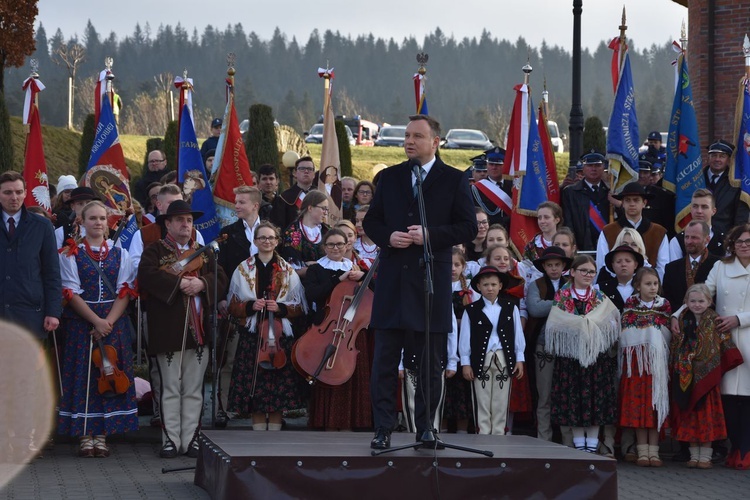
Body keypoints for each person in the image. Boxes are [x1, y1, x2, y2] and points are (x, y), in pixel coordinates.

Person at [363, 114, 477, 450]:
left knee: (429, 364)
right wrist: (389, 236)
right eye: (407, 136)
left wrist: (430, 235)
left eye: (417, 136)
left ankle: (427, 427)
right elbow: (372, 221)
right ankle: (383, 428)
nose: (410, 142)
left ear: (435, 142)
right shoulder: (391, 177)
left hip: (430, 285)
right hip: (392, 285)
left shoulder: (453, 180)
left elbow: (468, 228)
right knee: (385, 361)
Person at [137, 200, 227, 458]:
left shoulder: (206, 252)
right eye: (179, 220)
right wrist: (178, 286)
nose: (185, 225)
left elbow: (221, 278)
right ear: (167, 224)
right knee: (169, 388)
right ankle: (170, 439)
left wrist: (202, 284)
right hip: (168, 330)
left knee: (194, 388)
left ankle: (192, 439)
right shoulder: (154, 250)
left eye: (188, 220)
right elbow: (147, 276)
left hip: (199, 332)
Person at [57, 201, 138, 458]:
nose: (98, 223)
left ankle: (102, 435)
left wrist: (108, 323)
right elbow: (71, 292)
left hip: (113, 322)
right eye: (92, 218)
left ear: (108, 221)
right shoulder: (71, 253)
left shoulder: (120, 253)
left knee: (109, 376)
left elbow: (125, 291)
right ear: (81, 221)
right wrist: (96, 321)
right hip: (83, 323)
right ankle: (84, 434)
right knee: (84, 377)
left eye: (102, 218)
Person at [679, 224, 750, 469]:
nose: (743, 245)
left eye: (748, 241)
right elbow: (702, 293)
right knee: (729, 398)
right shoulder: (721, 267)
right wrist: (677, 315)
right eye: (739, 241)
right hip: (723, 340)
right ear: (731, 244)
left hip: (747, 335)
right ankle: (735, 448)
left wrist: (740, 319)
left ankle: (745, 450)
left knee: (749, 399)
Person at [226, 221, 306, 431]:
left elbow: (299, 307)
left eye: (271, 238)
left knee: (278, 382)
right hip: (254, 334)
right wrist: (251, 305)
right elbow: (233, 305)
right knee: (254, 383)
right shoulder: (243, 268)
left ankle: (276, 429)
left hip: (279, 335)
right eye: (262, 237)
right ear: (255, 240)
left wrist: (280, 307)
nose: (267, 241)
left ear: (277, 241)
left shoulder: (288, 271)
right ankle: (258, 428)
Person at [546, 255, 620, 453]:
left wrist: (592, 326)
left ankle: (593, 444)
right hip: (571, 358)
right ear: (572, 272)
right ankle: (579, 445)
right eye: (583, 271)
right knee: (574, 399)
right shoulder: (562, 297)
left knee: (595, 400)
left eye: (591, 272)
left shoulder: (600, 297)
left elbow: (612, 322)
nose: (588, 275)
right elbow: (554, 324)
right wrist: (579, 325)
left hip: (596, 357)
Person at [303, 229, 371, 430]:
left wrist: (365, 277)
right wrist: (339, 280)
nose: (336, 248)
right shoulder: (317, 270)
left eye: (340, 244)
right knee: (327, 369)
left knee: (352, 371)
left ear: (347, 245)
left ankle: (354, 421)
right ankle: (327, 421)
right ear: (324, 247)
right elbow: (314, 294)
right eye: (331, 245)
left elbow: (373, 295)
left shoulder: (356, 268)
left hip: (351, 329)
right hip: (327, 327)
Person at [670, 284, 742, 469]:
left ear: (709, 301)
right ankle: (694, 455)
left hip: (708, 378)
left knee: (706, 416)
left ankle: (706, 456)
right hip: (687, 377)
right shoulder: (681, 320)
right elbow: (676, 345)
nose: (697, 305)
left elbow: (724, 342)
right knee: (690, 415)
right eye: (692, 301)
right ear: (686, 302)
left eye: (701, 301)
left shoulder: (714, 320)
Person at [213, 186, 263, 427]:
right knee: (230, 357)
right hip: (237, 305)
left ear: (255, 205)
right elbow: (219, 269)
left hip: (266, 304)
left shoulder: (271, 232)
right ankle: (224, 407)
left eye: (241, 202)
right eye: (236, 201)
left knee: (262, 358)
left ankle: (259, 408)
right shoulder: (228, 233)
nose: (236, 205)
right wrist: (221, 298)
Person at [459, 266, 525, 435]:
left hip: (504, 358)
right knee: (482, 399)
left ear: (500, 286)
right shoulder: (471, 310)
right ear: (479, 287)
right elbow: (465, 338)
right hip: (481, 359)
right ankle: (483, 434)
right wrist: (465, 362)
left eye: (494, 284)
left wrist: (519, 358)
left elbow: (518, 334)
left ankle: (498, 435)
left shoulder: (511, 308)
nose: (490, 288)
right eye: (486, 284)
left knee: (501, 401)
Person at [618, 267, 671, 467]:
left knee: (655, 405)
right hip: (636, 365)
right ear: (637, 286)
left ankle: (654, 452)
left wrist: (650, 333)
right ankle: (642, 451)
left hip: (656, 365)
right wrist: (647, 333)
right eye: (648, 284)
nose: (652, 288)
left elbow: (665, 331)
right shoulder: (631, 303)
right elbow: (626, 330)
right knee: (639, 407)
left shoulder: (663, 305)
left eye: (655, 284)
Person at [0, 170, 61, 337]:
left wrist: (53, 311)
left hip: (29, 313)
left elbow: (52, 271)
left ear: (25, 193)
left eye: (19, 192)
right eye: (8, 192)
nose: (14, 197)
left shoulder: (42, 226)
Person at [525, 246, 572, 442]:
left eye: (557, 265)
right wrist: (562, 303)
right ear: (543, 266)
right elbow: (534, 309)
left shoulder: (571, 283)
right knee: (544, 393)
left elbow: (577, 307)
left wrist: (553, 305)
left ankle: (568, 438)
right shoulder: (536, 284)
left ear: (563, 266)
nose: (553, 268)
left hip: (569, 345)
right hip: (543, 344)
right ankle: (544, 437)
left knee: (567, 393)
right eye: (550, 265)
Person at [596, 182, 669, 281]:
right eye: (627, 200)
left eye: (636, 200)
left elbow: (662, 268)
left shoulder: (658, 232)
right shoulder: (608, 231)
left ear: (644, 203)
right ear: (623, 203)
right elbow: (602, 264)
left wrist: (652, 287)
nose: (632, 204)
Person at [445, 247, 478, 434]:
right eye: (449, 265)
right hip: (443, 343)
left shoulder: (470, 290)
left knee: (463, 386)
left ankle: (463, 430)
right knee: (445, 385)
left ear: (463, 266)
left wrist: (461, 322)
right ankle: (440, 427)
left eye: (457, 265)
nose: (452, 269)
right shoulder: (438, 286)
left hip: (464, 343)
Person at [662, 221, 721, 313]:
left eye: (694, 237)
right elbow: (668, 300)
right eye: (686, 237)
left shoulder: (719, 265)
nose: (689, 241)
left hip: (711, 322)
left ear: (707, 239)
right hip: (678, 323)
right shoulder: (671, 268)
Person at [561, 151, 610, 252]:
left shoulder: (610, 191)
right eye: (589, 165)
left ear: (603, 167)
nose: (593, 169)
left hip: (608, 245)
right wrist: (572, 244)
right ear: (583, 168)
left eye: (597, 165)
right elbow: (568, 222)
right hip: (581, 246)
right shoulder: (571, 192)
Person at [704, 140, 750, 235]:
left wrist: (735, 237)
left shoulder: (735, 183)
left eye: (722, 156)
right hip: (698, 235)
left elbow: (741, 216)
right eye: (714, 155)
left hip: (724, 236)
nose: (717, 159)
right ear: (708, 158)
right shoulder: (697, 179)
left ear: (729, 160)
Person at [281, 190, 329, 277]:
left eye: (327, 209)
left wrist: (311, 264)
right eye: (323, 208)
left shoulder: (327, 231)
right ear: (310, 208)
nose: (326, 213)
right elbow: (293, 269)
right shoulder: (292, 232)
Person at [668, 188, 725, 261]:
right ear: (690, 209)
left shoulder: (724, 240)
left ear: (713, 211)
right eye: (695, 206)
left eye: (704, 207)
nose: (699, 211)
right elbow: (675, 269)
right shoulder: (677, 241)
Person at [470, 147, 512, 228]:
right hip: (487, 232)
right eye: (491, 164)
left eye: (498, 164)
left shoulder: (514, 186)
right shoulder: (476, 189)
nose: (494, 167)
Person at [279, 156, 317, 231]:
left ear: (314, 174)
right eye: (302, 169)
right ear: (295, 173)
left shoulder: (321, 196)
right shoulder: (284, 198)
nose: (306, 171)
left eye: (309, 169)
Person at [256, 164, 287, 230]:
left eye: (271, 178)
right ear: (258, 182)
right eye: (264, 179)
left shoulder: (285, 202)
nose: (268, 182)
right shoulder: (254, 204)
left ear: (277, 181)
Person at [353, 205, 378, 269]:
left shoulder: (384, 244)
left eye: (363, 221)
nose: (358, 225)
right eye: (357, 221)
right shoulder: (353, 244)